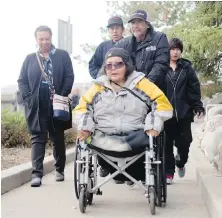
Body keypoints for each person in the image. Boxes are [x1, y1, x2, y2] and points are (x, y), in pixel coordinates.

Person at [73, 48, 173, 185]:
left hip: (135, 137)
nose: (113, 69)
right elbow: (82, 108)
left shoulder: (141, 84)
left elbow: (162, 105)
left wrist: (153, 125)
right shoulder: (98, 87)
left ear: (127, 65)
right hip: (103, 138)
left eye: (118, 64)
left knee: (150, 141)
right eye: (108, 65)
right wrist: (85, 127)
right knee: (88, 139)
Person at [18, 25, 74, 187]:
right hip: (37, 104)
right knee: (37, 137)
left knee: (58, 137)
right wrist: (28, 98)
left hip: (57, 103)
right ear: (36, 40)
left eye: (47, 39)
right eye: (41, 39)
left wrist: (61, 95)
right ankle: (36, 174)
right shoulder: (30, 59)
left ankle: (59, 170)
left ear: (51, 38)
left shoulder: (62, 56)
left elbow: (69, 76)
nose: (44, 42)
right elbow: (22, 80)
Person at [164, 38, 204, 184]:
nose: (175, 52)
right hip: (166, 115)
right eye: (172, 49)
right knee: (166, 145)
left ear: (181, 51)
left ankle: (180, 163)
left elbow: (194, 88)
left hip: (184, 113)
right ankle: (168, 173)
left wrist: (197, 106)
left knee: (185, 143)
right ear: (168, 51)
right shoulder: (162, 67)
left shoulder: (186, 67)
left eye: (178, 49)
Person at [115, 9, 169, 91]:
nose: (135, 26)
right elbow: (109, 60)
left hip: (154, 92)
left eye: (139, 21)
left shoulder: (159, 38)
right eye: (133, 23)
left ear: (147, 24)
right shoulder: (124, 43)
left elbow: (161, 64)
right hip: (131, 93)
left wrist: (146, 86)